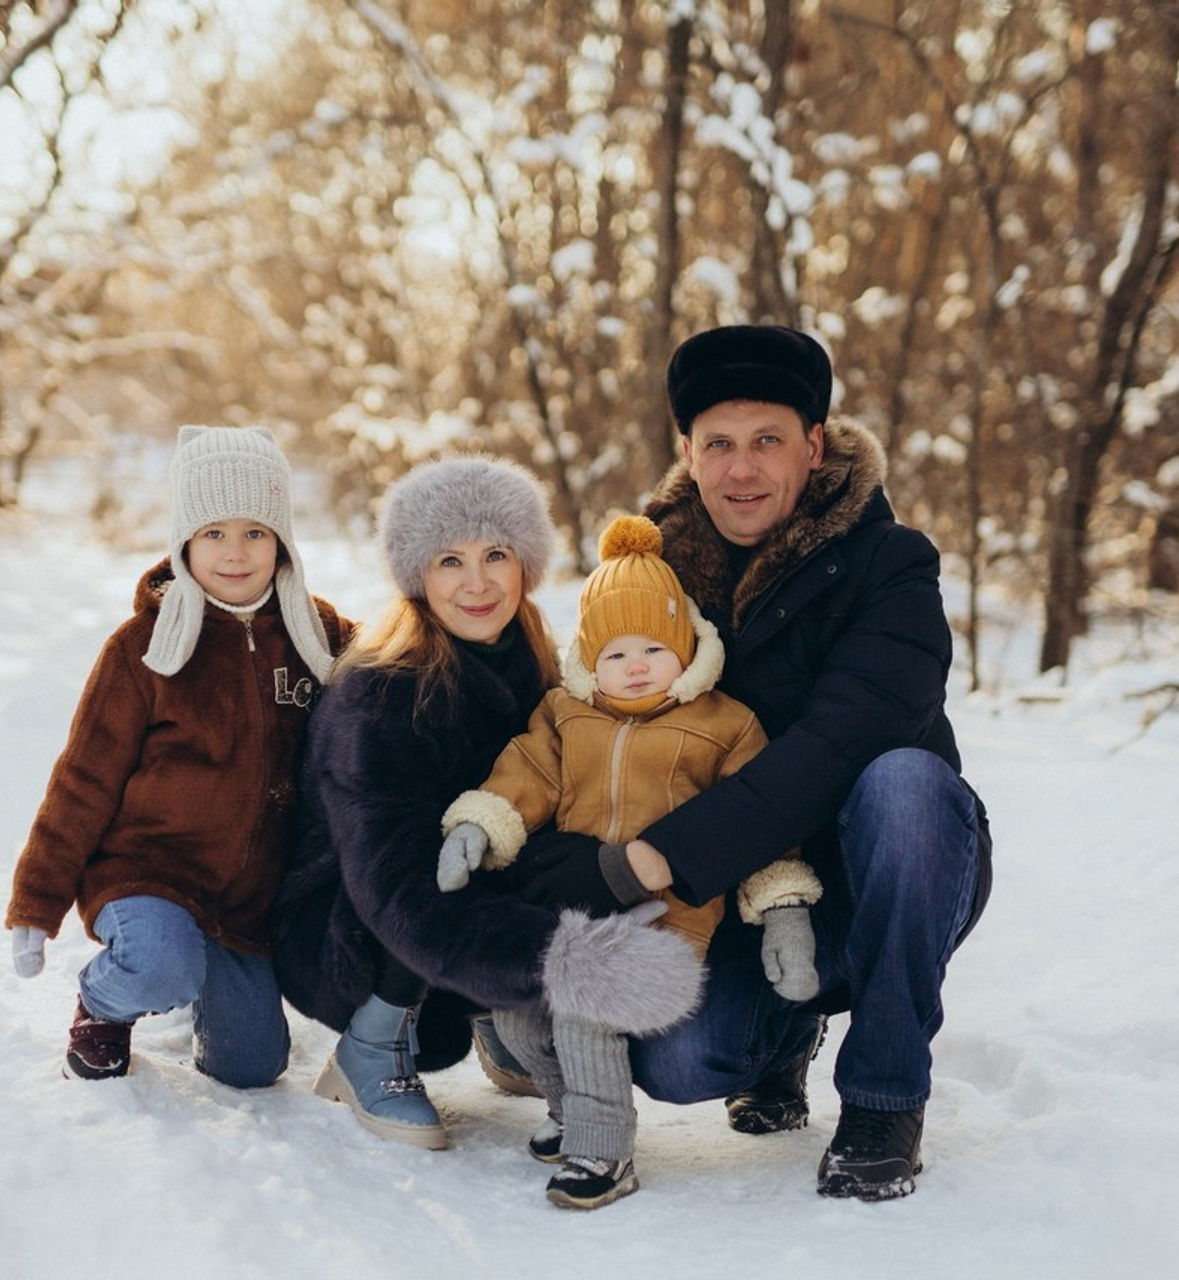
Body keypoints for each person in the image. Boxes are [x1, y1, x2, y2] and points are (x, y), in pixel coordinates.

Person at [480, 325, 993, 1201]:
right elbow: (591, 713)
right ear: (687, 450)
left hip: (886, 871)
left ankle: (883, 1094)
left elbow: (841, 743)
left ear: (815, 445)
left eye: (768, 442)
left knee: (902, 784)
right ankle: (784, 1041)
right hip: (740, 897)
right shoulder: (658, 576)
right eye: (719, 444)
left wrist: (650, 860)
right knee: (684, 1062)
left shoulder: (891, 565)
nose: (742, 470)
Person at [270, 456, 704, 1155]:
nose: (477, 582)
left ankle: (498, 1016)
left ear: (525, 563)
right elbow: (398, 889)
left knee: (563, 842)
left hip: (451, 914)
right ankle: (370, 1044)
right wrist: (562, 962)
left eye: (496, 554)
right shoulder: (378, 695)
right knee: (447, 855)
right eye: (449, 560)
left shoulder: (538, 665)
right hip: (351, 924)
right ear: (418, 576)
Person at [436, 513, 822, 1208]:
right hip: (570, 914)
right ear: (590, 657)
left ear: (685, 646)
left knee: (584, 1003)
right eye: (615, 653)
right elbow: (522, 779)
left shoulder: (725, 725)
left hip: (666, 930)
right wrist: (479, 827)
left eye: (653, 647)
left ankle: (604, 1150)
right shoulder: (564, 714)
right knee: (519, 1012)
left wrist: (784, 910)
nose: (636, 665)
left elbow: (763, 827)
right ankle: (570, 1110)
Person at [5, 425, 354, 1086]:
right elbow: (82, 780)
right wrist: (36, 900)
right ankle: (105, 1001)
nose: (235, 552)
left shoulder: (318, 635)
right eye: (213, 532)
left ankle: (191, 975)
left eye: (255, 531)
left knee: (250, 1066)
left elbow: (392, 672)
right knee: (161, 962)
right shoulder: (142, 648)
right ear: (184, 541)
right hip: (147, 875)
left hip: (245, 903)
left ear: (282, 541)